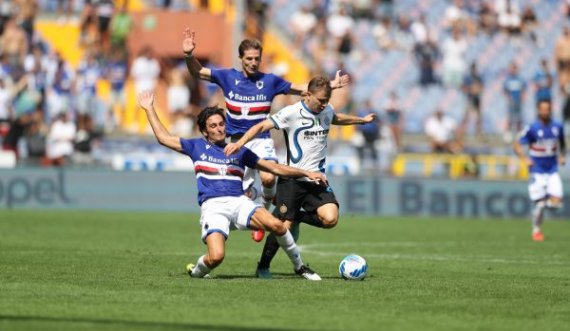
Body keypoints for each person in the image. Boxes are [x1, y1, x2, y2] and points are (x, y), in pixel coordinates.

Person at [182, 28, 349, 241]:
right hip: (236, 143)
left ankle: (264, 209)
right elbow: (198, 72)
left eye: (257, 59)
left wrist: (330, 85)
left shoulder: (270, 81)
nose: (253, 62)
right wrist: (188, 55)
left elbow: (300, 89)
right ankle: (228, 222)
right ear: (241, 58)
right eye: (249, 58)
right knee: (240, 195)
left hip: (260, 140)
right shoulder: (227, 77)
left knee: (269, 177)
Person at [137, 91, 325, 280]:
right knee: (216, 257)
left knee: (278, 225)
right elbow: (163, 138)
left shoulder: (239, 151)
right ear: (204, 131)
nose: (219, 129)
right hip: (214, 207)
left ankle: (300, 267)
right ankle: (196, 272)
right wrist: (149, 108)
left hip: (239, 202)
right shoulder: (196, 147)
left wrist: (306, 172)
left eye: (221, 124)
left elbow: (273, 168)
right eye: (213, 126)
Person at [224, 76, 376, 279]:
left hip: (317, 180)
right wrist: (240, 143)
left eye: (327, 100)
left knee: (330, 219)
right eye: (321, 100)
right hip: (292, 180)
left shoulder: (326, 110)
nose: (324, 104)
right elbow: (260, 126)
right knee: (281, 228)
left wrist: (361, 120)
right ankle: (263, 266)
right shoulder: (292, 112)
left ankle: (295, 216)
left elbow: (337, 118)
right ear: (308, 95)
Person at [513, 100, 565, 242]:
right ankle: (536, 230)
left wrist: (562, 156)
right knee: (539, 205)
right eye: (542, 109)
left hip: (552, 169)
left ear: (551, 110)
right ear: (538, 110)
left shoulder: (557, 126)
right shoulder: (532, 128)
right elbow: (516, 144)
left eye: (547, 109)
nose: (545, 112)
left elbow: (562, 143)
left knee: (557, 203)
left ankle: (541, 203)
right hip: (537, 170)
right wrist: (524, 159)